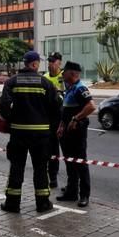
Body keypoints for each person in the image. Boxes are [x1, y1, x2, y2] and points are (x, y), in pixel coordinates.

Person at [0, 51, 60, 213]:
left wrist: (11, 120)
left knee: (16, 168)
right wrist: (50, 127)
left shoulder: (11, 82)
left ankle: (12, 203)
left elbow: (4, 105)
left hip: (18, 134)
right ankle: (43, 203)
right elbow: (56, 107)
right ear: (34, 64)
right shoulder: (45, 83)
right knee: (40, 168)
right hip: (41, 135)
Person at [56, 61, 96, 207]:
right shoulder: (70, 89)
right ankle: (71, 192)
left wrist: (76, 118)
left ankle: (84, 195)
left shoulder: (80, 89)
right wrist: (61, 125)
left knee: (80, 163)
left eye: (64, 71)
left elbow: (91, 106)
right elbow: (65, 111)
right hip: (66, 134)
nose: (62, 73)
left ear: (72, 73)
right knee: (70, 163)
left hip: (77, 133)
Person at [44, 52, 64, 190]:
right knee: (52, 149)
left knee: (70, 153)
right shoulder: (44, 77)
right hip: (48, 119)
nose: (51, 64)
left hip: (62, 118)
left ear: (59, 63)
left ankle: (72, 184)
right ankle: (53, 177)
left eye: (54, 61)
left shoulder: (64, 77)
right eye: (50, 61)